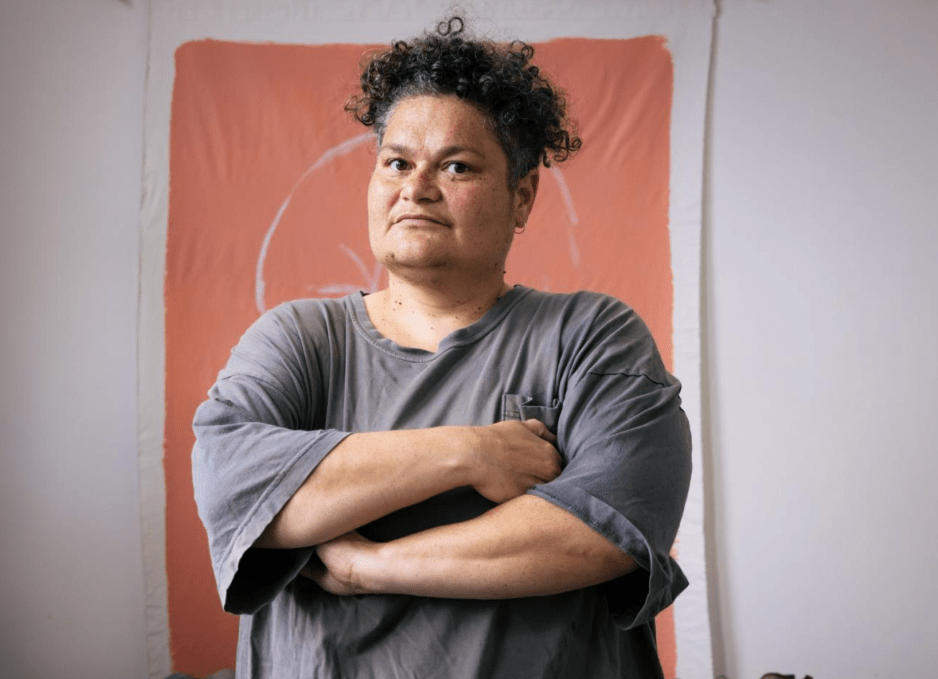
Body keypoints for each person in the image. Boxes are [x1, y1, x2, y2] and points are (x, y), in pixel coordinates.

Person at [192, 17, 692, 679]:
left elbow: (601, 533)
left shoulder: (589, 336)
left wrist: (365, 565)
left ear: (521, 197)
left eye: (455, 165)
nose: (415, 187)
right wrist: (470, 451)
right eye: (396, 162)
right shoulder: (298, 339)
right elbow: (233, 488)